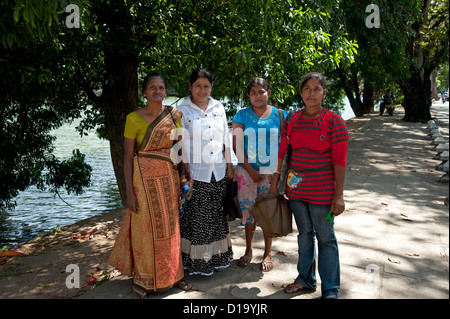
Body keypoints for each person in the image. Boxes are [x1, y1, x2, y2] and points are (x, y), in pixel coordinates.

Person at [108, 73, 191, 298]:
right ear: (144, 92)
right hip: (141, 181)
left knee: (170, 229)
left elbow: (179, 147)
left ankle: (175, 276)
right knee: (144, 230)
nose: (157, 91)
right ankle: (142, 281)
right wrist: (129, 193)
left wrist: (186, 175)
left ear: (166, 91)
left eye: (161, 88)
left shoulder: (174, 116)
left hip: (168, 179)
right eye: (152, 88)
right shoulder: (132, 118)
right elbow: (127, 157)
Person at [269, 72, 349, 299]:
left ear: (324, 92)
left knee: (326, 239)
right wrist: (275, 183)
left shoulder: (335, 122)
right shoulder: (292, 120)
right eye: (307, 89)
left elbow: (339, 161)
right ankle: (305, 279)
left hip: (323, 194)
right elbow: (282, 153)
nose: (311, 93)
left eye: (316, 89)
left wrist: (339, 195)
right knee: (304, 235)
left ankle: (331, 289)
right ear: (301, 92)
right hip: (296, 192)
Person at [177, 68, 234, 276]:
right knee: (197, 219)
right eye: (198, 86)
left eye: (206, 86)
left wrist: (229, 166)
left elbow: (226, 138)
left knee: (216, 216)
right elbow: (180, 145)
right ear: (190, 87)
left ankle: (218, 258)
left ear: (212, 87)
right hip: (196, 174)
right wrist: (186, 175)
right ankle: (198, 264)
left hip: (218, 171)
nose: (202, 90)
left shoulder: (218, 106)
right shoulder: (183, 110)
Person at [232, 78, 287, 272]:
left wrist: (275, 174)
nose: (257, 96)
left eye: (261, 92)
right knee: (248, 213)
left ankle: (267, 253)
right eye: (253, 92)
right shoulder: (241, 115)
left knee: (268, 213)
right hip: (246, 173)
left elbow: (285, 146)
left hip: (272, 173)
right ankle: (248, 250)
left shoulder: (280, 115)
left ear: (268, 93)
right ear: (248, 95)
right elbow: (236, 146)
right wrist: (250, 170)